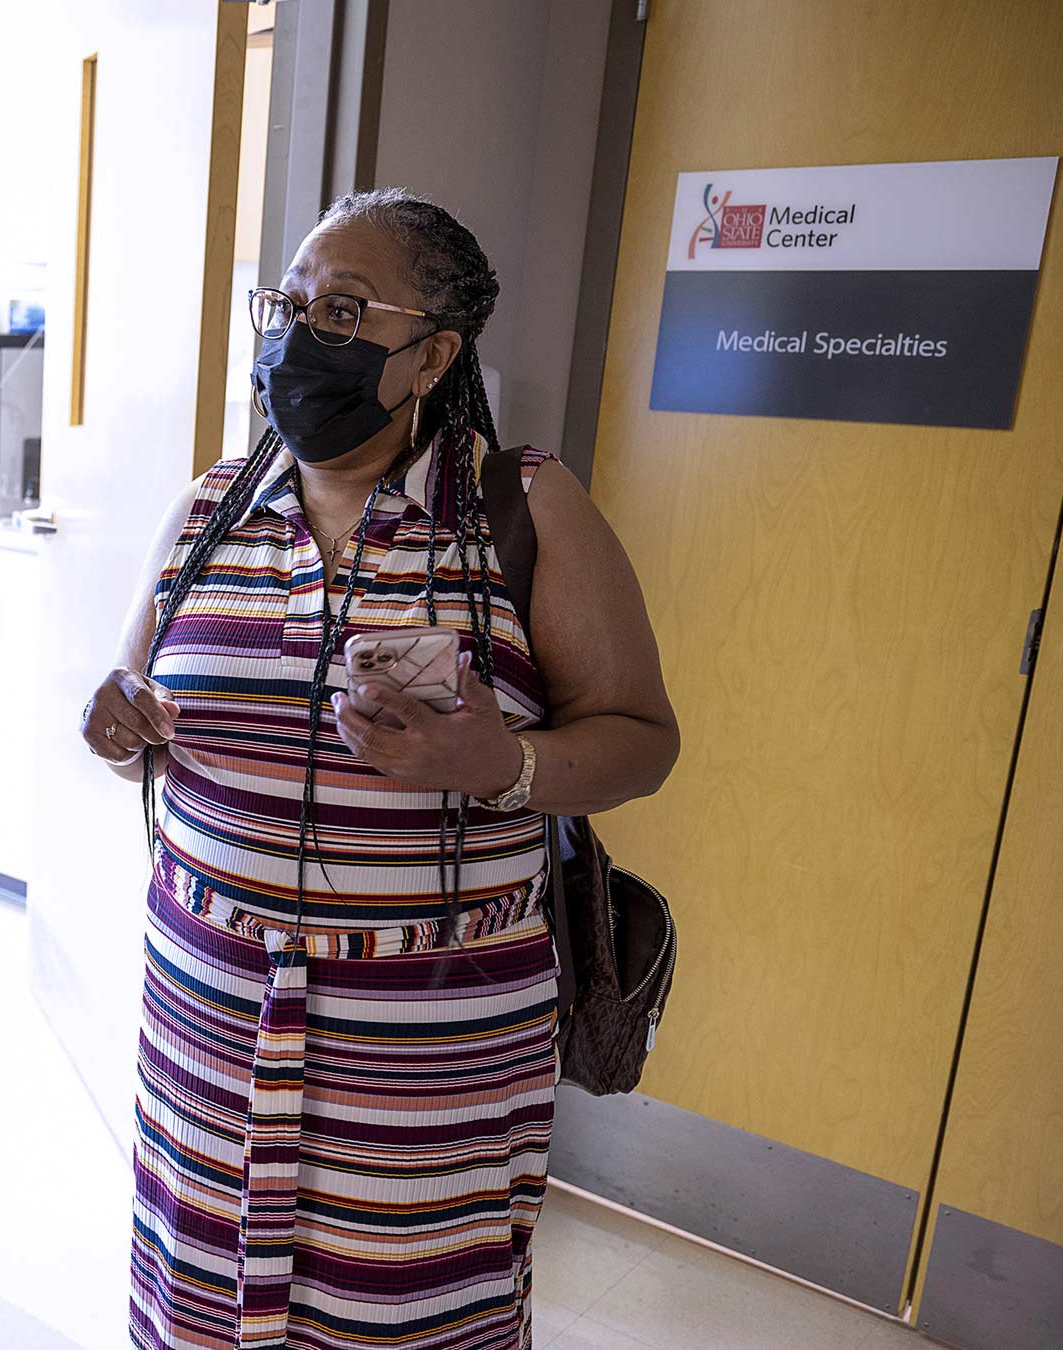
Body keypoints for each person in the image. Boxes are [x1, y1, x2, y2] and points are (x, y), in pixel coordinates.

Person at [82, 188, 678, 1350]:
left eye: (344, 310)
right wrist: (119, 724)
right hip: (209, 1015)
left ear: (432, 353)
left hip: (428, 1054)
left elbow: (641, 738)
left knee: (400, 1317)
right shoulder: (213, 503)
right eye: (290, 303)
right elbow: (133, 704)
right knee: (200, 1311)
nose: (297, 336)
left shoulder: (522, 507)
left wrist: (497, 762)